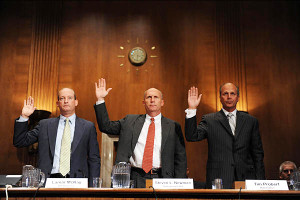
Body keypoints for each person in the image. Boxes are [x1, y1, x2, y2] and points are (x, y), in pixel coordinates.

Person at [94, 78, 187, 188]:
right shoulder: (129, 121)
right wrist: (100, 99)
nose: (152, 100)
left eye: (156, 97)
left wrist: (180, 186)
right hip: (133, 178)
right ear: (144, 102)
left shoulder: (173, 126)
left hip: (162, 179)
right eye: (149, 97)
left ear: (162, 102)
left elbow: (180, 159)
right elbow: (106, 126)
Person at [13, 88, 100, 187]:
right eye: (62, 98)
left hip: (77, 181)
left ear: (76, 102)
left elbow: (94, 159)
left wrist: (93, 187)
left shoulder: (88, 127)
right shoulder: (44, 125)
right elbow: (20, 141)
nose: (66, 101)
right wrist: (24, 116)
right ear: (58, 103)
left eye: (69, 98)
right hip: (48, 181)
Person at [185, 83, 265, 189]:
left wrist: (260, 182)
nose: (229, 97)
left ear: (238, 98)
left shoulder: (251, 121)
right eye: (225, 94)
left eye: (232, 93)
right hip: (219, 179)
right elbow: (192, 136)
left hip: (246, 179)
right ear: (220, 98)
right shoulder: (210, 120)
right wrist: (192, 108)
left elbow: (257, 154)